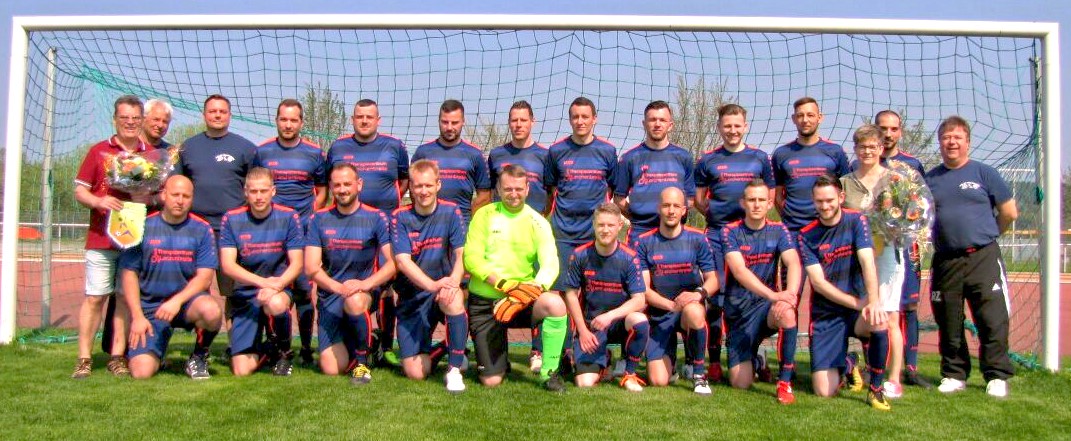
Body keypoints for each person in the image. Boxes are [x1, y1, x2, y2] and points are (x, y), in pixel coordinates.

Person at [925, 116, 1017, 398]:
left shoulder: (984, 173)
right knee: (949, 320)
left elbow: (1009, 212)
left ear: (967, 142)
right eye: (946, 137)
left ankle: (996, 375)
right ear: (940, 142)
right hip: (946, 260)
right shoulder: (930, 180)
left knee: (991, 319)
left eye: (957, 137)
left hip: (983, 257)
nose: (951, 142)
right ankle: (954, 374)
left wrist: (986, 236)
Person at [463, 164, 568, 392]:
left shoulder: (538, 221)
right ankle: (497, 362)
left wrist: (533, 289)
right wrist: (504, 284)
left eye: (519, 189)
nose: (513, 194)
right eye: (508, 189)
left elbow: (551, 263)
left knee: (555, 304)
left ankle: (549, 373)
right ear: (498, 190)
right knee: (491, 381)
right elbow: (471, 259)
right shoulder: (484, 215)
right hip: (486, 301)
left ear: (527, 189)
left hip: (522, 300)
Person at [694, 103, 776, 383]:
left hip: (751, 237)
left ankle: (754, 354)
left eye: (737, 125)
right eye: (727, 126)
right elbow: (700, 200)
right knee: (716, 299)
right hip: (718, 235)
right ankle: (715, 361)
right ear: (719, 127)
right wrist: (719, 217)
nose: (732, 130)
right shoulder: (708, 160)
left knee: (752, 297)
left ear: (745, 126)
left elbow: (770, 196)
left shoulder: (760, 158)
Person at [326, 98, 411, 367]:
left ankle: (385, 346)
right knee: (351, 282)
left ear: (378, 120)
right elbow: (330, 183)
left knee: (386, 286)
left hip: (384, 227)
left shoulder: (395, 146)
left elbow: (403, 181)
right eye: (359, 116)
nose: (364, 121)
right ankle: (358, 339)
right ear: (353, 119)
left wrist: (387, 206)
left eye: (369, 117)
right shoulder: (338, 147)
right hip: (349, 228)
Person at [71, 94, 150, 378]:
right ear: (115, 119)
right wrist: (99, 201)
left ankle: (117, 356)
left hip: (133, 240)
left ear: (142, 121)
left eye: (135, 118)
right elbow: (80, 190)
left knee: (124, 298)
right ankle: (84, 358)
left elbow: (155, 197)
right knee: (95, 297)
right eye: (124, 117)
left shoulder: (150, 156)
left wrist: (143, 196)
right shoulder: (99, 151)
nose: (130, 122)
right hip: (101, 238)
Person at [798, 174, 891, 410]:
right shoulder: (806, 235)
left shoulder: (857, 220)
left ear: (841, 197)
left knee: (879, 320)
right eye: (819, 201)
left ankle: (876, 389)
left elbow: (867, 261)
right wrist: (857, 303)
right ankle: (848, 364)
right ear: (813, 201)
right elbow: (819, 284)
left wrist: (873, 301)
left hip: (858, 309)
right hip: (827, 313)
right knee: (823, 391)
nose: (825, 206)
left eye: (829, 200)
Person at [840, 124, 916, 398]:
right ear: (855, 149)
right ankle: (853, 366)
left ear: (881, 148)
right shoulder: (845, 182)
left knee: (889, 316)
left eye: (872, 146)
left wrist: (898, 229)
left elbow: (910, 216)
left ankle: (893, 378)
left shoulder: (895, 180)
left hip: (887, 256)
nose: (868, 151)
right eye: (862, 147)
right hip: (854, 257)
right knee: (858, 314)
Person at [121, 175, 223, 379]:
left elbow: (204, 278)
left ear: (192, 199)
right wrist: (138, 317)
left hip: (187, 304)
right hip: (151, 308)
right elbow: (129, 273)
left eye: (186, 196)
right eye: (175, 195)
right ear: (163, 195)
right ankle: (158, 349)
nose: (180, 200)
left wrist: (177, 301)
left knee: (211, 310)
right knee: (141, 373)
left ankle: (198, 357)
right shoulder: (142, 226)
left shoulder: (202, 229)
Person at [543, 96, 617, 374]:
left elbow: (612, 191)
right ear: (570, 119)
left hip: (595, 237)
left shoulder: (608, 151)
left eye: (585, 116)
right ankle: (562, 353)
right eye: (575, 116)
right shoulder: (556, 151)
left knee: (594, 294)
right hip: (564, 234)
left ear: (594, 119)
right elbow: (552, 191)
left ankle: (593, 351)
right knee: (564, 294)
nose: (580, 121)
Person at [305, 163, 396, 385]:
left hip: (362, 293)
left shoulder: (376, 217)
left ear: (359, 184)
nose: (342, 189)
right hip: (331, 295)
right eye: (337, 185)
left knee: (355, 301)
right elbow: (311, 268)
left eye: (347, 184)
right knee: (332, 368)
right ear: (330, 187)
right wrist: (339, 288)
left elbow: (393, 263)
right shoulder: (318, 219)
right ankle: (370, 341)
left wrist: (366, 284)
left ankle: (362, 364)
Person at [254, 98, 329, 366]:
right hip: (271, 234)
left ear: (301, 122)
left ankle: (306, 346)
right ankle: (273, 344)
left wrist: (309, 218)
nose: (288, 124)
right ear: (277, 120)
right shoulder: (262, 152)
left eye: (293, 120)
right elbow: (256, 188)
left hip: (304, 234)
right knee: (270, 287)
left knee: (304, 291)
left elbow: (322, 191)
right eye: (283, 119)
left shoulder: (314, 153)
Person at [391, 160, 469, 392]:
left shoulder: (451, 211)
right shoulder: (399, 217)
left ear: (438, 185)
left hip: (442, 291)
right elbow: (403, 261)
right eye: (418, 186)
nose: (423, 191)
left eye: (428, 185)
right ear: (411, 188)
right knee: (416, 373)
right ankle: (448, 346)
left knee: (454, 298)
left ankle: (454, 370)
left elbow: (461, 253)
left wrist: (453, 282)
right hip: (413, 296)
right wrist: (432, 285)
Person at [218, 167, 304, 376]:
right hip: (247, 293)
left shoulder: (289, 216)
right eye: (254, 191)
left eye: (263, 191)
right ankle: (268, 348)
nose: (259, 197)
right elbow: (228, 265)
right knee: (242, 371)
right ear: (245, 192)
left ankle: (284, 353)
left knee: (275, 303)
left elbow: (297, 263)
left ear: (273, 191)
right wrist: (263, 283)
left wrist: (277, 285)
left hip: (278, 289)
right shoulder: (231, 218)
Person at [722, 179, 802, 404]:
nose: (756, 204)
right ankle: (758, 361)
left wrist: (790, 296)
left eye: (761, 200)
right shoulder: (730, 231)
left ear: (769, 203)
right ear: (743, 203)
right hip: (739, 312)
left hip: (765, 308)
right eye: (751, 200)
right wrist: (774, 295)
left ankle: (784, 382)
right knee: (740, 383)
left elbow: (793, 262)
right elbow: (739, 271)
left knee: (787, 313)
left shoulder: (779, 230)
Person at [635, 187, 719, 395]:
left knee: (695, 311)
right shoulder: (644, 242)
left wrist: (698, 294)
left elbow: (714, 279)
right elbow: (643, 289)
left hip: (688, 310)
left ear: (684, 210)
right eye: (666, 205)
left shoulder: (697, 238)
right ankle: (670, 364)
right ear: (659, 208)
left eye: (676, 206)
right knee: (657, 381)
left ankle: (698, 375)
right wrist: (671, 305)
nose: (671, 210)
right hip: (661, 313)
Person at [176, 94, 257, 299]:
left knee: (234, 291)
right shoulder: (187, 147)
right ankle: (200, 319)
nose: (218, 115)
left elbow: (256, 187)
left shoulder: (246, 148)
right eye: (213, 111)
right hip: (194, 227)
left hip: (231, 228)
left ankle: (233, 322)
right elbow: (177, 185)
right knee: (194, 287)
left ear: (230, 115)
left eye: (222, 111)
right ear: (204, 115)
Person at [562, 203, 649, 392]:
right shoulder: (580, 255)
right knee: (584, 383)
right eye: (601, 225)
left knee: (640, 320)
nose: (605, 230)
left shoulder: (630, 258)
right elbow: (570, 294)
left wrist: (610, 316)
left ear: (619, 226)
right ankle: (605, 359)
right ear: (594, 225)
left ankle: (629, 374)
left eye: (610, 225)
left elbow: (639, 300)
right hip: (592, 326)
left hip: (619, 323)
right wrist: (583, 331)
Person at [873, 109, 932, 390]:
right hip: (875, 247)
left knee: (907, 304)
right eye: (882, 128)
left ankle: (910, 367)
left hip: (905, 247)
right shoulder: (863, 162)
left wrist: (910, 231)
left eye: (893, 129)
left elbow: (921, 204)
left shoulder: (911, 165)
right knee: (875, 304)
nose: (888, 134)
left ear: (900, 131)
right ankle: (874, 365)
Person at [614, 100, 695, 245]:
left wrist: (673, 216)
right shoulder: (629, 158)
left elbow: (690, 199)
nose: (657, 124)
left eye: (662, 120)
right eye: (652, 120)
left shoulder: (684, 157)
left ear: (670, 125)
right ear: (644, 124)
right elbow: (619, 199)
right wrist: (637, 216)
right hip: (640, 233)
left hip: (675, 233)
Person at [772, 97, 851, 233]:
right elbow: (777, 196)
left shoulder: (836, 151)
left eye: (810, 115)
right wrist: (789, 217)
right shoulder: (781, 153)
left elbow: (846, 191)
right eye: (800, 115)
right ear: (793, 119)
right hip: (794, 230)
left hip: (829, 229)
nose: (805, 120)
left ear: (820, 118)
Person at [411, 99, 491, 223]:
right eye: (445, 122)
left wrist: (469, 220)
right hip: (428, 224)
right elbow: (413, 189)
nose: (449, 127)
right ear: (438, 121)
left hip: (462, 224)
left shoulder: (475, 154)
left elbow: (485, 195)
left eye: (454, 123)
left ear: (463, 122)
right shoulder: (423, 152)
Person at [487, 100, 551, 215]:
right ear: (509, 123)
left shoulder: (546, 155)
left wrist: (542, 217)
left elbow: (552, 195)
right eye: (514, 120)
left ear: (532, 122)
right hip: (502, 221)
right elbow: (490, 193)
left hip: (533, 222)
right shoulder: (496, 154)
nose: (518, 125)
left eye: (523, 120)